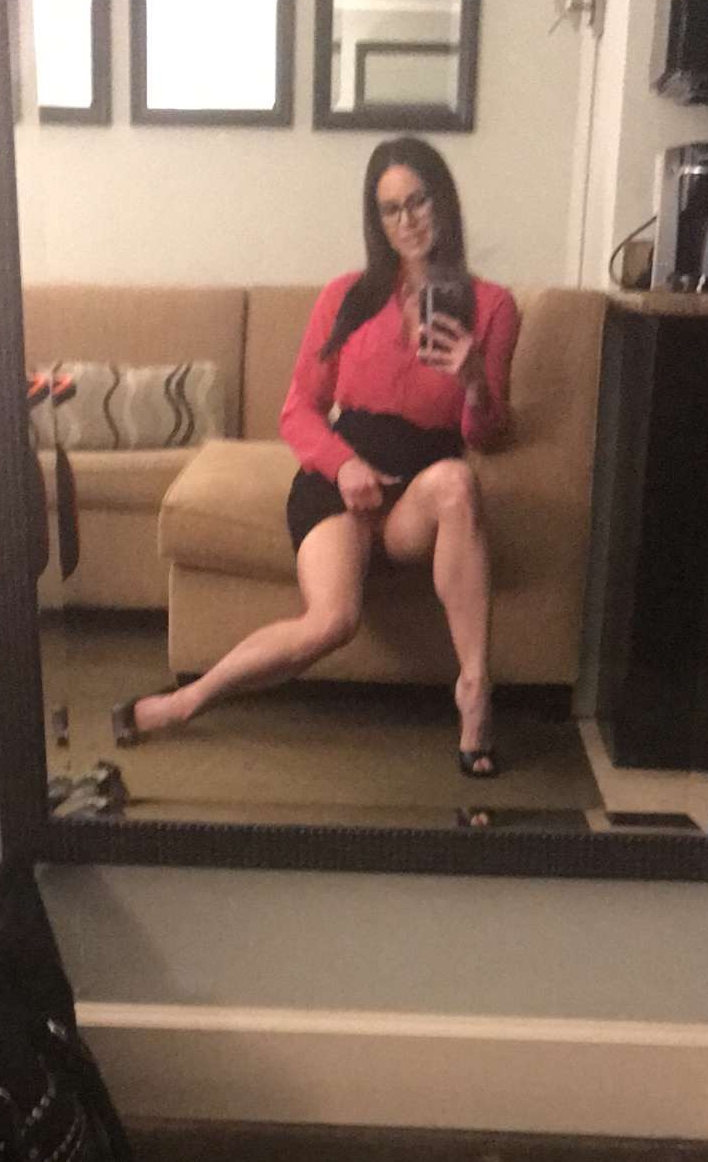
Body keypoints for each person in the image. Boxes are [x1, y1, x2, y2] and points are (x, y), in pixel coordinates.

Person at [112, 136, 520, 777]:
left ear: (442, 202)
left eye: (418, 201)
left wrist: (473, 381)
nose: (408, 220)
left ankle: (474, 692)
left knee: (456, 482)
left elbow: (487, 435)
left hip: (418, 492)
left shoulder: (492, 306)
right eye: (390, 209)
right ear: (377, 221)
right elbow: (297, 410)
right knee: (331, 621)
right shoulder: (346, 296)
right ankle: (186, 701)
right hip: (340, 480)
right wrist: (342, 465)